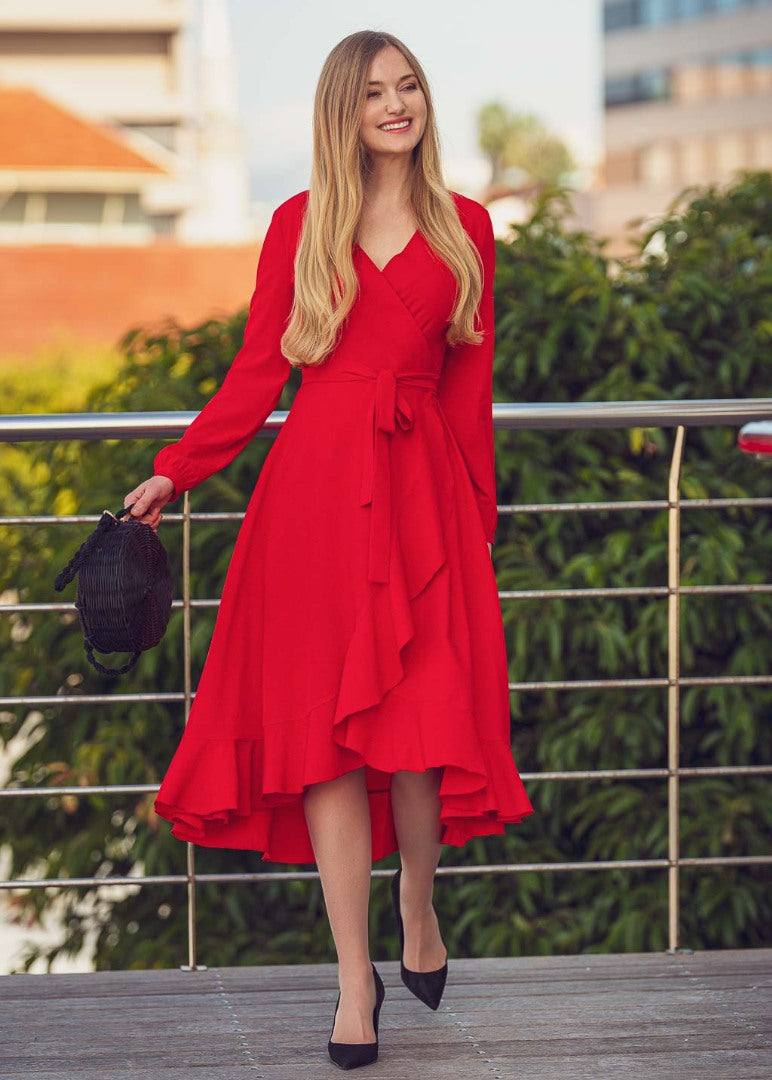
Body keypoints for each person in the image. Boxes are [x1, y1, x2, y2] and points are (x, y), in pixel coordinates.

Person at [123, 29, 534, 1071]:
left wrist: (473, 518)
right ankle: (355, 982)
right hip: (311, 500)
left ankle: (419, 907)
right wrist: (179, 468)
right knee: (326, 746)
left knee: (420, 737)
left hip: (422, 500)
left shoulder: (468, 228)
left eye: (408, 89)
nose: (395, 106)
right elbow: (259, 373)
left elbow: (466, 391)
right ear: (341, 113)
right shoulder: (301, 225)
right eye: (373, 94)